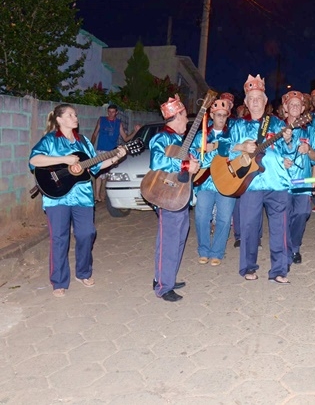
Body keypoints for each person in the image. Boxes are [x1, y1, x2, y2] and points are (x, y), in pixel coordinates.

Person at [29, 104, 126, 297]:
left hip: (82, 196)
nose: (75, 118)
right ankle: (59, 281)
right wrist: (64, 159)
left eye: (75, 114)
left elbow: (95, 167)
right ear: (60, 120)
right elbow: (34, 160)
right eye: (71, 115)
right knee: (59, 239)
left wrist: (116, 157)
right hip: (57, 197)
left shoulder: (83, 142)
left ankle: (83, 272)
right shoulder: (50, 140)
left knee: (86, 233)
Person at [221, 74, 293, 284]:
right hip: (249, 184)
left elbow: (289, 150)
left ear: (265, 100)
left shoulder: (278, 124)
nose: (254, 101)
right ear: (245, 102)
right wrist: (241, 147)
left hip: (277, 182)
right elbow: (223, 148)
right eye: (251, 98)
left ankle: (279, 270)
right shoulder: (236, 126)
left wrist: (288, 142)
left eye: (258, 97)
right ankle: (248, 267)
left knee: (280, 228)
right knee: (249, 227)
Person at [149, 95, 199, 302]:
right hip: (167, 194)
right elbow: (157, 162)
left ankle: (165, 276)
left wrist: (195, 159)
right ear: (177, 115)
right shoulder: (161, 138)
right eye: (185, 115)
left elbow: (191, 156)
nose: (187, 119)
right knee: (169, 240)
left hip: (181, 194)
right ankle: (163, 286)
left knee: (178, 238)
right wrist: (186, 166)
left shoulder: (180, 139)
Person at [192, 99, 236, 267]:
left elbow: (235, 153)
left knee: (224, 218)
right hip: (205, 182)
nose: (221, 119)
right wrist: (200, 150)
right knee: (202, 217)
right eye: (218, 115)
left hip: (226, 182)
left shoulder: (232, 134)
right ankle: (204, 250)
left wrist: (217, 146)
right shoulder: (201, 135)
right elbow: (191, 154)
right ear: (211, 115)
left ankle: (217, 251)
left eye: (224, 116)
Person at [280, 91, 315, 264]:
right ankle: (284, 248)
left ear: (304, 108)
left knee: (302, 212)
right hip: (281, 181)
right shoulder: (277, 127)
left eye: (299, 104)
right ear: (285, 108)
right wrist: (280, 160)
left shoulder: (311, 130)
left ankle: (294, 246)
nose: (295, 106)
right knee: (283, 216)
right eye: (292, 104)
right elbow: (269, 153)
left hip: (303, 181)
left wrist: (309, 150)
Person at [90, 103, 139, 202]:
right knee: (99, 173)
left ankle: (104, 196)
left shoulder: (118, 123)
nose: (111, 114)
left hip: (112, 151)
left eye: (113, 112)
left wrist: (135, 131)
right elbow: (94, 134)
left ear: (116, 113)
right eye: (109, 112)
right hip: (101, 150)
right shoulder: (102, 120)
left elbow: (125, 138)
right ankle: (97, 196)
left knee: (108, 175)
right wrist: (90, 147)